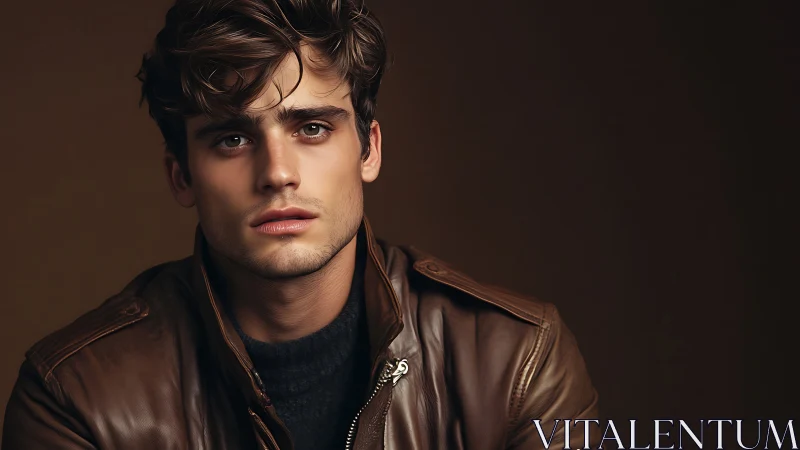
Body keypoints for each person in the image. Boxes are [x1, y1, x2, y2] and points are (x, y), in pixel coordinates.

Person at [2, 0, 599, 448]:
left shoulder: (516, 360)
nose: (277, 173)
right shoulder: (77, 395)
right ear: (181, 175)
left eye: (312, 128)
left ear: (368, 150)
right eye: (232, 137)